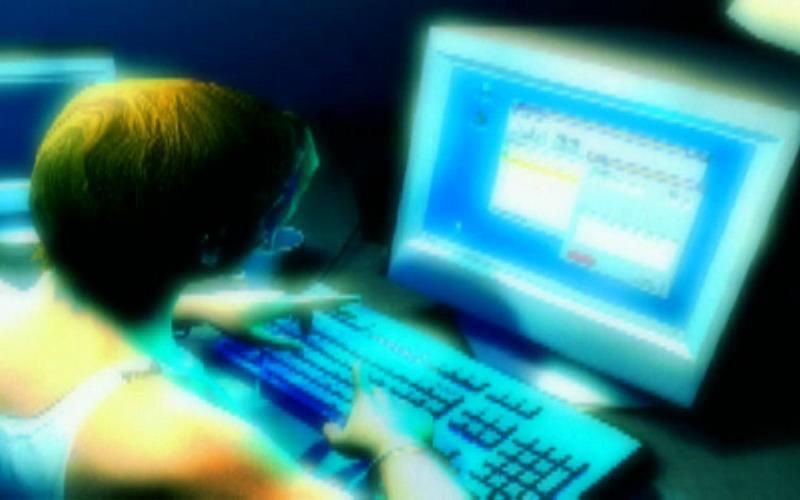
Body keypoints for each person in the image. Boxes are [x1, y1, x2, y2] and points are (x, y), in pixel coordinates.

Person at [0, 79, 466, 499]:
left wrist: (194, 306)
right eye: (274, 213)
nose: (273, 232)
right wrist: (397, 444)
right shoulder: (179, 443)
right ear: (212, 244)